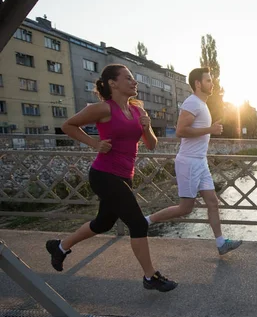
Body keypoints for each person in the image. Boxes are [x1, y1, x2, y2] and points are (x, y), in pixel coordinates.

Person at [45, 64, 177, 292]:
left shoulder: (137, 110)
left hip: (125, 176)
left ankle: (60, 246)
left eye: (134, 78)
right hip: (104, 174)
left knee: (103, 223)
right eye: (128, 78)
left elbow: (152, 145)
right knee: (137, 223)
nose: (134, 82)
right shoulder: (103, 109)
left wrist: (147, 128)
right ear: (112, 83)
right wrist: (94, 143)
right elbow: (68, 125)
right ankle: (150, 277)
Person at [145, 68, 242, 255]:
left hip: (200, 161)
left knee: (213, 202)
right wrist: (210, 129)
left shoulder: (202, 104)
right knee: (185, 208)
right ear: (198, 84)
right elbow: (181, 130)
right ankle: (147, 221)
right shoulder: (192, 102)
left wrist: (209, 129)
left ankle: (221, 243)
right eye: (208, 80)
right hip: (188, 162)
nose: (211, 84)